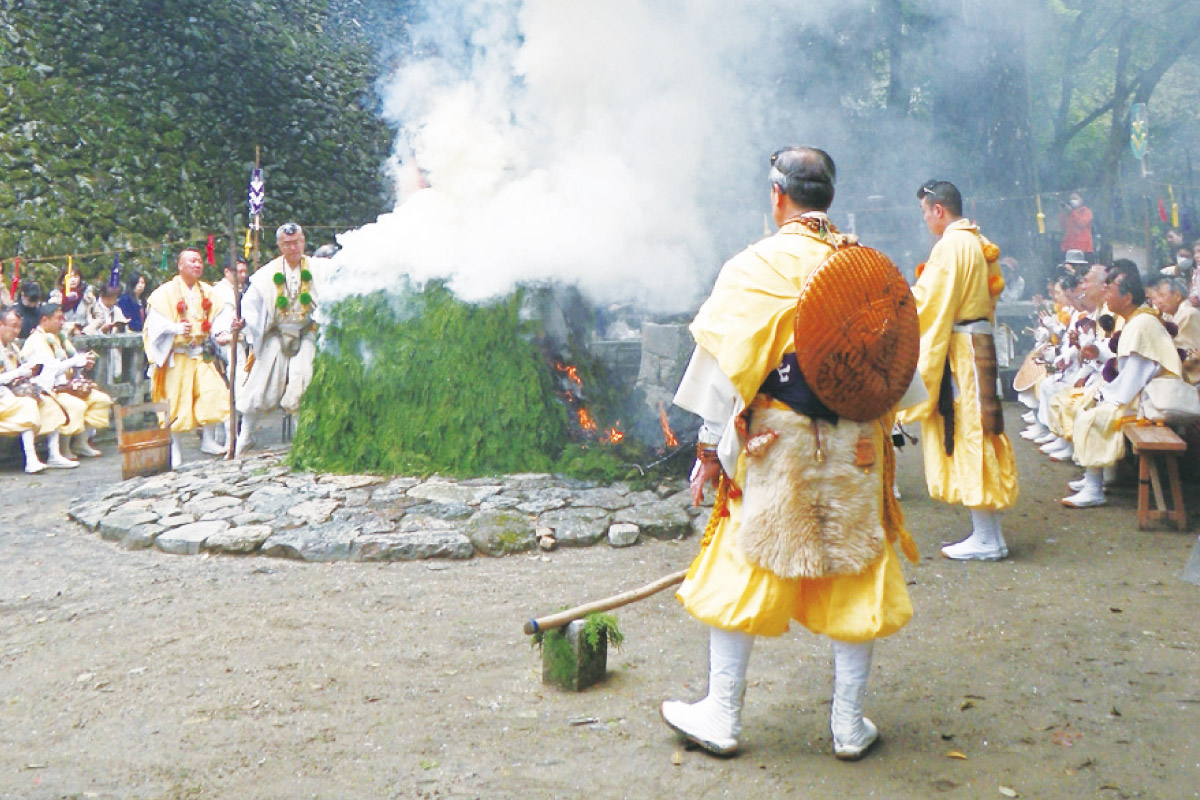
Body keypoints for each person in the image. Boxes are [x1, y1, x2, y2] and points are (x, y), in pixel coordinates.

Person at [660, 147, 918, 761]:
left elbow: (723, 372)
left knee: (741, 560)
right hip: (858, 443)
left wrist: (707, 449)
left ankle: (722, 715)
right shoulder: (868, 269)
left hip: (777, 443)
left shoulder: (754, 266)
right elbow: (903, 376)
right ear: (828, 197)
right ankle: (848, 726)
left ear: (778, 196)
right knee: (858, 568)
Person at [897, 180, 1019, 561]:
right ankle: (989, 535)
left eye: (924, 213)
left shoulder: (951, 246)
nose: (925, 221)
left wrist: (896, 302)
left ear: (938, 210)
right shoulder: (978, 241)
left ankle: (986, 537)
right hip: (976, 341)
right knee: (983, 429)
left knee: (971, 431)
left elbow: (929, 302)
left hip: (962, 352)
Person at [1063, 262, 1186, 507]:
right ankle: (1096, 475)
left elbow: (1133, 381)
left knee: (1093, 415)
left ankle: (1094, 488)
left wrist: (1106, 397)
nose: (1106, 294)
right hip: (1143, 395)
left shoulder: (1141, 324)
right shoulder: (1136, 320)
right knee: (1087, 405)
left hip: (1153, 402)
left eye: (1110, 289)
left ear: (1127, 296)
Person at [143, 249, 239, 466]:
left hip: (200, 353)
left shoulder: (207, 291)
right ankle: (175, 450)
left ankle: (209, 439)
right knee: (176, 403)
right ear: (180, 265)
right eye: (192, 261)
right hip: (178, 354)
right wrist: (175, 327)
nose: (197, 264)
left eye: (199, 261)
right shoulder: (164, 293)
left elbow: (218, 318)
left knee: (214, 394)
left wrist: (224, 330)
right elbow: (155, 325)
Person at [235, 222, 324, 455]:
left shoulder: (320, 269)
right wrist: (244, 323)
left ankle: (301, 441)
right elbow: (250, 307)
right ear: (279, 246)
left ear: (303, 242)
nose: (293, 247)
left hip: (307, 332)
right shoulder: (266, 274)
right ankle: (244, 439)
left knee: (301, 380)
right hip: (276, 332)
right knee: (259, 383)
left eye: (296, 242)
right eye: (287, 244)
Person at [19, 303, 112, 458]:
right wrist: (75, 361)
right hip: (50, 388)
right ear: (44, 319)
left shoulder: (60, 337)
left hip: (68, 384)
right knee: (76, 405)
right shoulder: (36, 340)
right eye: (58, 319)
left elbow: (70, 364)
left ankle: (80, 443)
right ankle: (64, 448)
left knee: (101, 400)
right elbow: (50, 368)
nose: (62, 322)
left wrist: (82, 365)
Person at [0, 307, 62, 473]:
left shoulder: (13, 347)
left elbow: (21, 368)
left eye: (18, 327)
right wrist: (17, 373)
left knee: (49, 401)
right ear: (1, 325)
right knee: (27, 405)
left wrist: (28, 371)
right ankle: (31, 458)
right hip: (2, 397)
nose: (16, 331)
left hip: (11, 393)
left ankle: (54, 453)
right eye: (12, 326)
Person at [1149, 275, 1200, 384]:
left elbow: (1188, 355)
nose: (1158, 301)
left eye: (1162, 295)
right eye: (1156, 297)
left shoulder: (1188, 314)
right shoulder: (1169, 316)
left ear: (1177, 295)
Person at [1059, 191, 1094, 260]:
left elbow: (1082, 223)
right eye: (1071, 199)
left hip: (1084, 248)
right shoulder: (1067, 213)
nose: (1072, 201)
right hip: (1068, 247)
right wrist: (1062, 211)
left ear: (1081, 200)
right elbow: (1062, 227)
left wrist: (1072, 212)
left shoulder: (1086, 211)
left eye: (1075, 198)